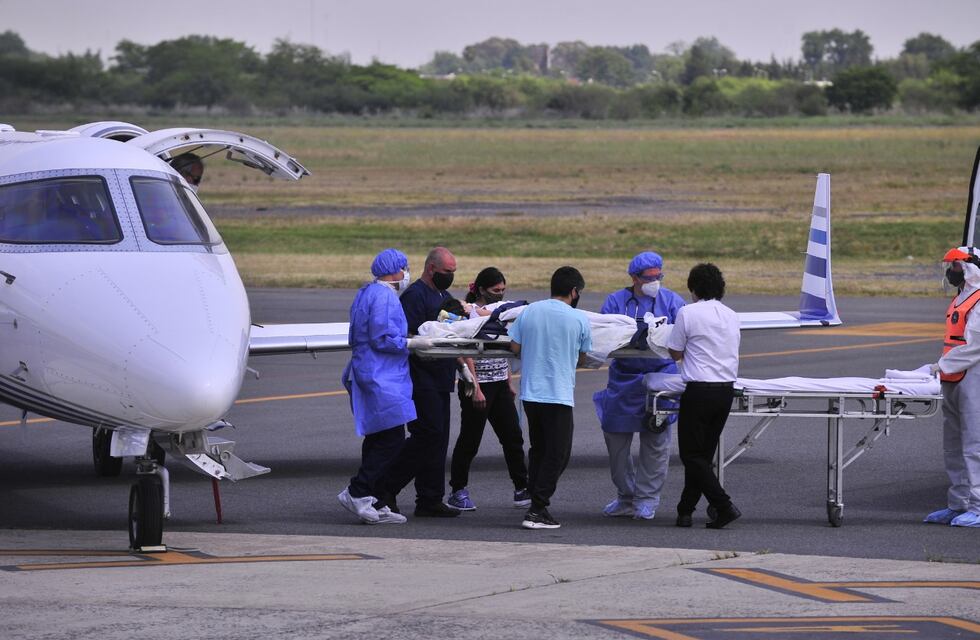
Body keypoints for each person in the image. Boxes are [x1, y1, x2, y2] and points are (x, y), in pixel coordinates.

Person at [594, 251, 685, 520]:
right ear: (634, 278)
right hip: (624, 379)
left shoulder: (672, 301)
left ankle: (647, 499)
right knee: (616, 442)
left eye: (660, 276)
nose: (655, 281)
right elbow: (601, 334)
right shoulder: (615, 301)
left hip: (660, 379)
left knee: (656, 443)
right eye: (649, 278)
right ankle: (625, 495)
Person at [380, 247, 462, 517]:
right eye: (446, 272)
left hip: (441, 378)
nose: (450, 277)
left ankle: (430, 498)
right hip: (420, 378)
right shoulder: (415, 296)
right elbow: (409, 336)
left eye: (453, 272)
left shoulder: (445, 296)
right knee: (427, 435)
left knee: (439, 439)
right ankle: (385, 488)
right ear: (431, 269)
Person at [509, 266, 592, 529]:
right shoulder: (578, 319)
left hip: (531, 394)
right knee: (558, 454)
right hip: (558, 395)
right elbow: (583, 357)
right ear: (574, 291)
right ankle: (537, 508)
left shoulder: (530, 311)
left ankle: (535, 497)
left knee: (539, 449)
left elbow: (515, 347)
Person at [337, 248, 414, 525]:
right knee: (392, 438)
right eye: (404, 267)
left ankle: (377, 500)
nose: (406, 273)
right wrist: (409, 343)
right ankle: (357, 491)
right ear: (394, 270)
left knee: (378, 435)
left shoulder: (366, 293)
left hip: (371, 371)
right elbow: (382, 337)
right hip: (382, 375)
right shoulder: (384, 297)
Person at [447, 267, 530, 511]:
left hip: (499, 384)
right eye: (496, 290)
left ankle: (521, 487)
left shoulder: (499, 313)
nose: (500, 294)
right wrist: (476, 387)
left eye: (503, 290)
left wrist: (508, 381)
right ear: (482, 289)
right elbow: (465, 350)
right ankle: (458, 490)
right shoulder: (467, 313)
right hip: (477, 385)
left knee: (513, 438)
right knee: (470, 440)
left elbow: (503, 348)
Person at [667, 263, 741, 529]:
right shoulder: (731, 315)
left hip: (699, 391)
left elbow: (674, 351)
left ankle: (724, 505)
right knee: (701, 456)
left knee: (691, 455)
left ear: (694, 288)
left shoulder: (688, 313)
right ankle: (685, 510)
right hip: (725, 391)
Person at [925, 246, 980, 527]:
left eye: (956, 266)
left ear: (971, 268)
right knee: (954, 444)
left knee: (975, 444)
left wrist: (940, 366)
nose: (951, 272)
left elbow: (975, 346)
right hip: (953, 377)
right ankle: (958, 504)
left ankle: (978, 506)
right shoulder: (962, 297)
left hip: (972, 376)